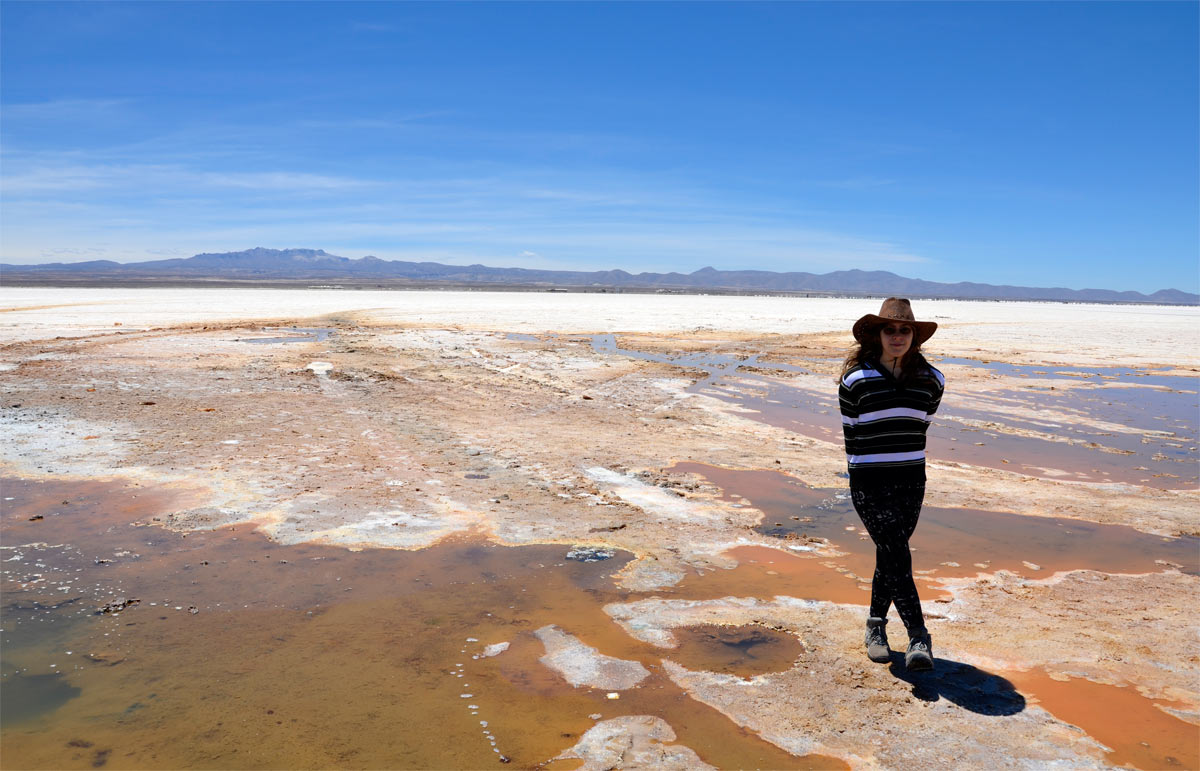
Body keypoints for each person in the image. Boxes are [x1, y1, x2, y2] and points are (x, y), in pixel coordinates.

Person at [838, 298, 944, 671]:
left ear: (915, 336)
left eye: (904, 330)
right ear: (877, 335)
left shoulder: (932, 380)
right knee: (898, 553)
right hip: (869, 481)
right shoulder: (855, 380)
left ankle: (875, 627)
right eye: (890, 329)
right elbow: (852, 435)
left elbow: (921, 425)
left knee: (890, 555)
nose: (897, 336)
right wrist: (861, 476)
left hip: (911, 480)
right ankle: (918, 636)